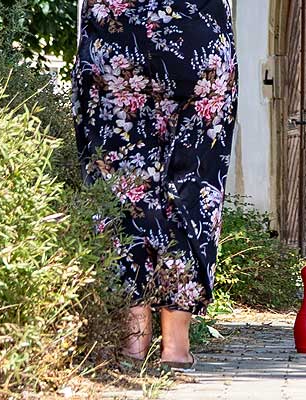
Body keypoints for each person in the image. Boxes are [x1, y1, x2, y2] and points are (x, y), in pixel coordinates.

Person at [73, 0, 236, 369]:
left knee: (121, 182)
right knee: (192, 182)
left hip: (116, 36)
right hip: (195, 34)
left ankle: (133, 342)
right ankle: (175, 348)